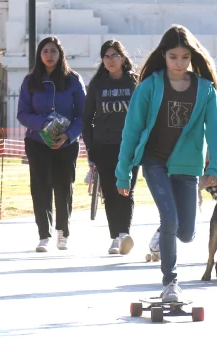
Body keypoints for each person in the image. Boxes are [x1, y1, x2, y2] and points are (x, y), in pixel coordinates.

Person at [115, 25, 217, 302]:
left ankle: (165, 233)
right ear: (164, 55)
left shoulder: (206, 90)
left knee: (186, 232)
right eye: (174, 57)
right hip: (155, 162)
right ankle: (170, 282)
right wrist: (123, 173)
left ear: (192, 57)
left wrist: (216, 167)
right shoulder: (150, 87)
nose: (179, 63)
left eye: (185, 57)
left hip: (187, 165)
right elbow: (131, 131)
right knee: (171, 219)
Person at [17, 36, 86, 252]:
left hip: (66, 143)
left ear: (60, 54)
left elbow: (83, 114)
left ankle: (62, 232)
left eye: (53, 51)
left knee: (64, 187)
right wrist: (44, 125)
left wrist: (68, 135)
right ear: (40, 54)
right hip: (37, 142)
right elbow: (22, 113)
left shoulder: (73, 79)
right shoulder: (30, 81)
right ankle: (43, 235)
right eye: (45, 51)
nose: (49, 55)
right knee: (40, 186)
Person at [83, 40, 140, 255]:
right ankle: (115, 237)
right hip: (103, 145)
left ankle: (124, 234)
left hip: (130, 146)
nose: (110, 60)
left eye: (115, 55)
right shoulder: (97, 84)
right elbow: (87, 117)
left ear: (123, 58)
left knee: (126, 190)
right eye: (106, 56)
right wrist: (90, 147)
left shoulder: (134, 83)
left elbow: (144, 115)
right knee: (109, 191)